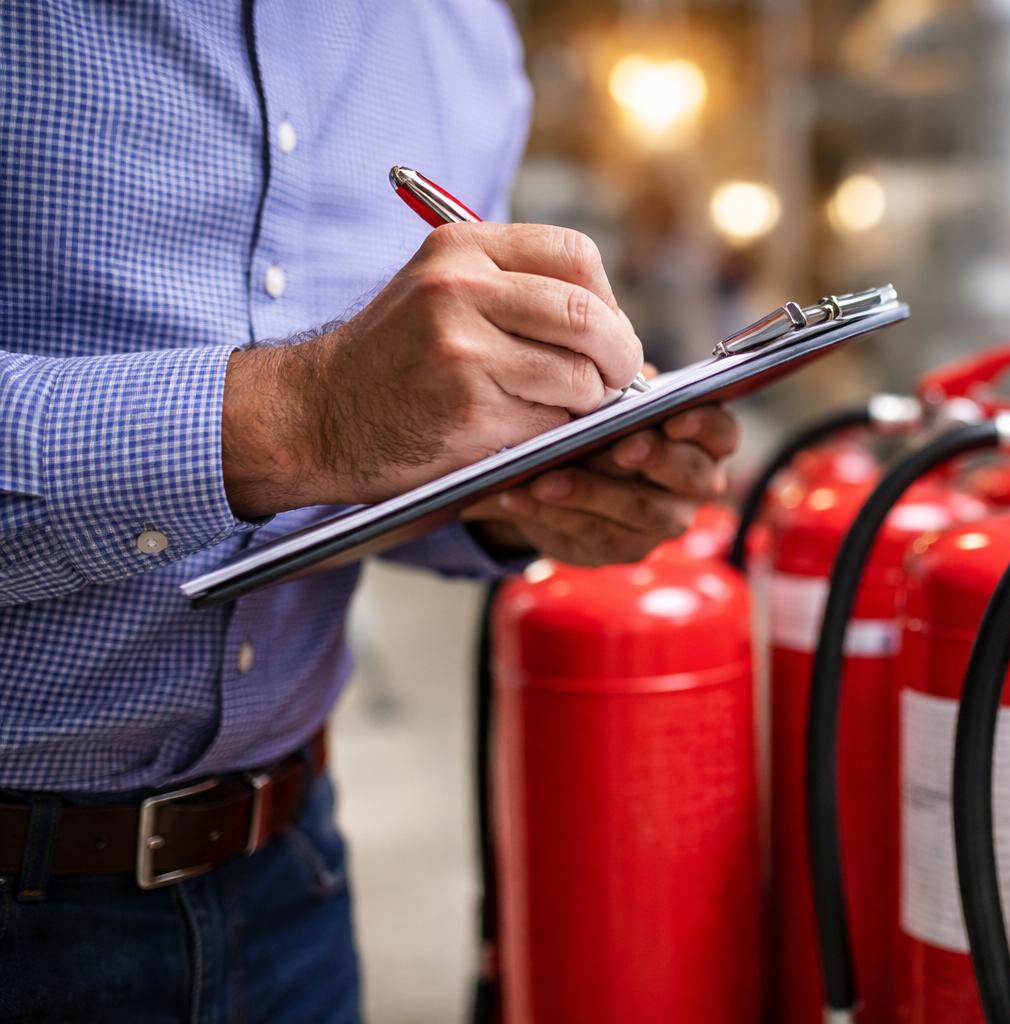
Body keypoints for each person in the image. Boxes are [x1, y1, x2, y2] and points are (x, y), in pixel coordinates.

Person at [0, 3, 737, 1019]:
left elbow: (412, 436)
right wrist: (304, 415)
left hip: (288, 879)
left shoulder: (465, 37)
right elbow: (339, 421)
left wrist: (525, 495)